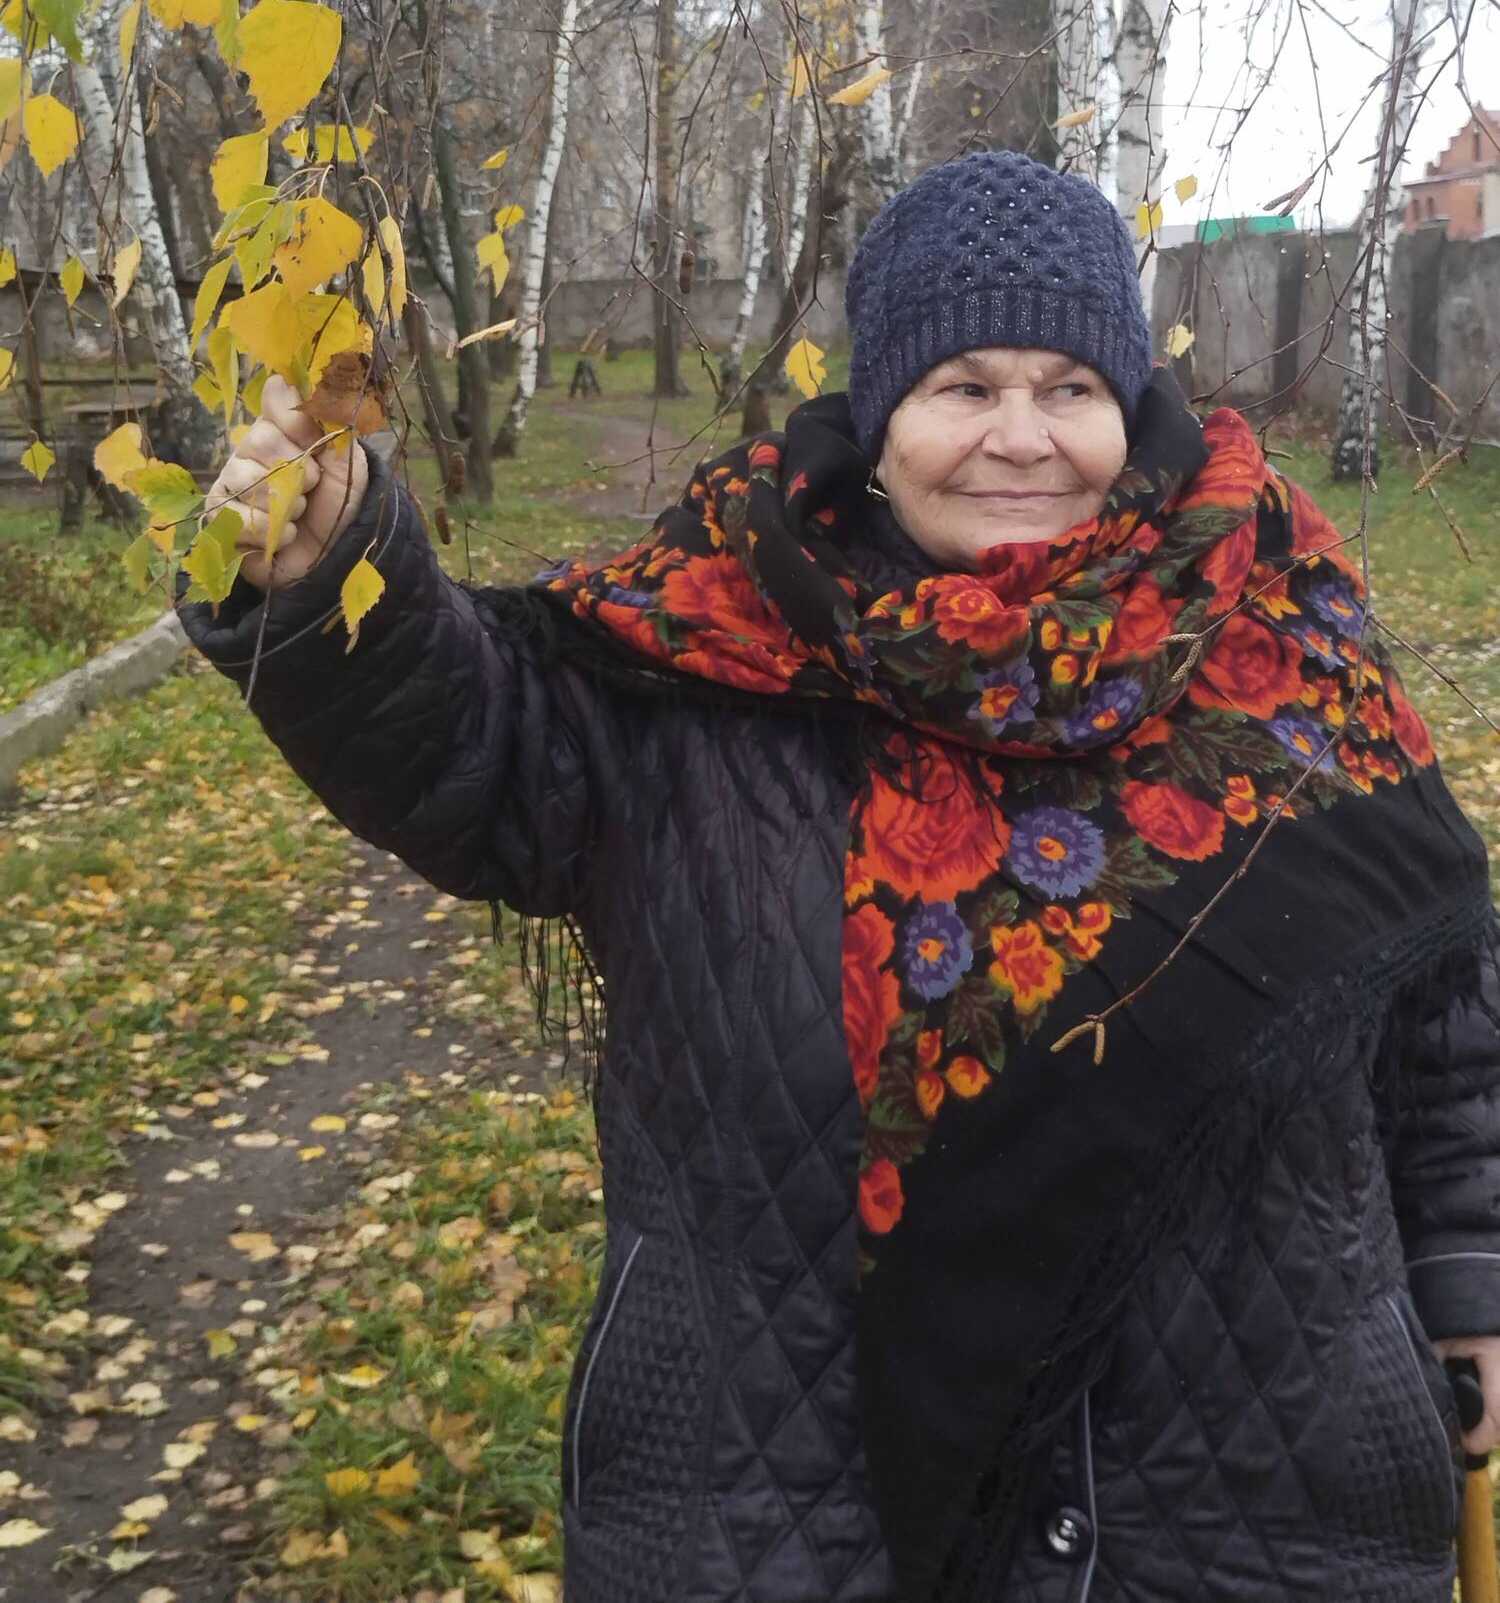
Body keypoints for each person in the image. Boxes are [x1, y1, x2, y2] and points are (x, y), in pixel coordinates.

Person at [180, 149, 1500, 1603]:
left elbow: (1440, 1008)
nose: (1021, 438)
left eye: (1069, 387)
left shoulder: (1279, 629)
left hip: (1256, 1502)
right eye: (963, 386)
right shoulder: (716, 634)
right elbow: (473, 745)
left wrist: (1474, 1281)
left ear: (1129, 408)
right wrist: (339, 577)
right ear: (877, 425)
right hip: (784, 1513)